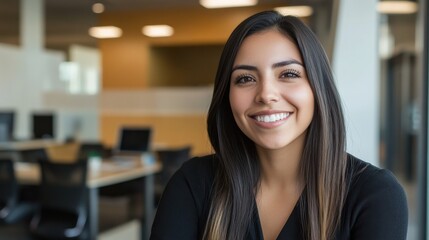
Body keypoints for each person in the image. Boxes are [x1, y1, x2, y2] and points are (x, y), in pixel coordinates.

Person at [150, 10, 408, 240]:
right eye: (246, 78)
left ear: (319, 89)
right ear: (226, 95)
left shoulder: (375, 195)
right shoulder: (193, 184)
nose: (266, 94)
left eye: (288, 74)